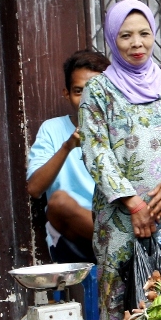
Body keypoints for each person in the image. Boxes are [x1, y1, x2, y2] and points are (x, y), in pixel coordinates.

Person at [80, 0, 161, 320]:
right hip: (121, 221)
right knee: (124, 302)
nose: (137, 44)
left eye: (144, 34)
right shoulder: (98, 90)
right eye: (125, 36)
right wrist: (133, 204)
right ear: (112, 39)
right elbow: (96, 151)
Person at [26, 50, 111, 264]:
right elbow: (35, 189)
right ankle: (119, 244)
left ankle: (120, 243)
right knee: (59, 202)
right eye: (78, 91)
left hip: (114, 220)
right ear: (67, 94)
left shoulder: (122, 131)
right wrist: (68, 146)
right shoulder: (52, 129)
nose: (86, 100)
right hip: (73, 239)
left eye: (95, 91)